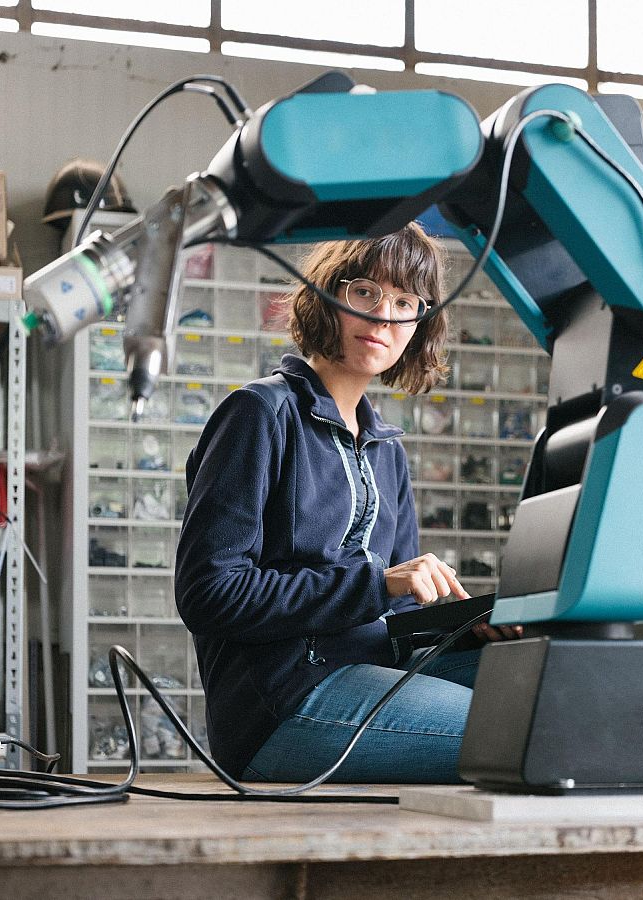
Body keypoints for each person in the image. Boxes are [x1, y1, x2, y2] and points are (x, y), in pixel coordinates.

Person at [175, 222, 518, 784]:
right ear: (327, 295)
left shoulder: (387, 451)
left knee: (547, 687)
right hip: (284, 702)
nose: (384, 316)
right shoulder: (260, 414)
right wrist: (376, 583)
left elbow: (398, 620)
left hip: (374, 672)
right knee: (517, 733)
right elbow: (209, 595)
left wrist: (465, 629)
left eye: (405, 303)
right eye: (365, 292)